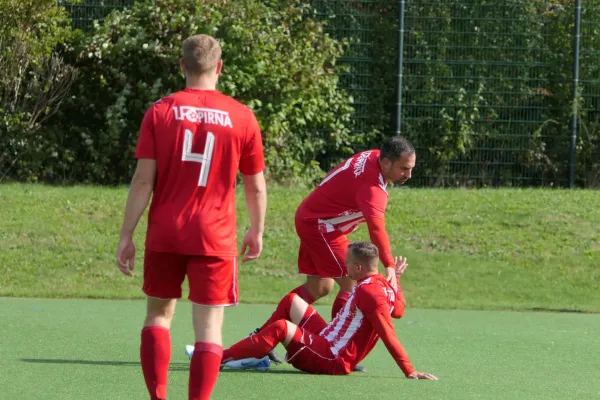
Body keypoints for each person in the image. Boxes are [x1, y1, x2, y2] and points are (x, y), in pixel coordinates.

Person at [115, 34, 267, 400]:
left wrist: (126, 234)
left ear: (183, 66)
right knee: (210, 328)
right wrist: (257, 230)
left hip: (166, 231)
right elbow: (256, 186)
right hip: (215, 236)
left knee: (158, 316)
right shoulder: (243, 116)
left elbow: (142, 180)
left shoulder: (160, 111)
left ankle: (158, 397)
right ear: (220, 68)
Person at [220, 242, 438, 380]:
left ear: (359, 268)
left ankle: (221, 357)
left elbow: (388, 334)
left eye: (348, 263)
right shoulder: (383, 284)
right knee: (292, 301)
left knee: (281, 328)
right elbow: (398, 309)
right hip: (327, 339)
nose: (345, 266)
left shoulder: (371, 293)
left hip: (332, 358)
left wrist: (409, 370)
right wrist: (397, 279)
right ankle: (259, 346)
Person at [288, 136, 416, 320]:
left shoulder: (374, 156)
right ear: (387, 162)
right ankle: (333, 346)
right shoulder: (373, 188)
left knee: (320, 287)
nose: (409, 175)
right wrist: (389, 264)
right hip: (320, 225)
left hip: (311, 217)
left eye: (411, 168)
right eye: (404, 168)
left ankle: (264, 335)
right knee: (355, 283)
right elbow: (376, 229)